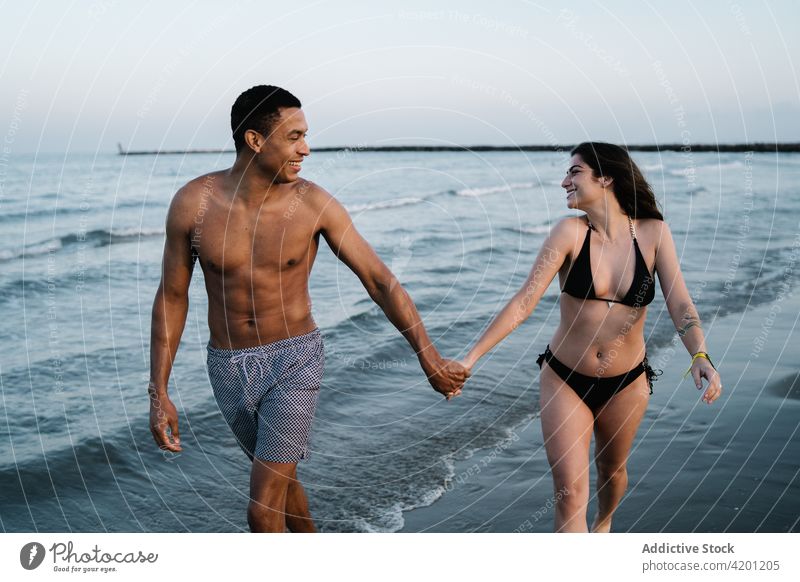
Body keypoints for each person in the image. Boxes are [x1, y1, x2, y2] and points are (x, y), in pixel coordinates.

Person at [147, 85, 468, 533]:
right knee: (283, 485)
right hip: (227, 367)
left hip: (294, 359)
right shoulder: (193, 203)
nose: (306, 148)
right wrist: (158, 391)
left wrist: (427, 355)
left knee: (261, 510)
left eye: (305, 135)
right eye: (294, 136)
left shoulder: (313, 203)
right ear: (256, 141)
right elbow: (172, 296)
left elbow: (379, 279)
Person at [458, 142, 722, 532]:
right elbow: (523, 302)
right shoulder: (568, 233)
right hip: (565, 377)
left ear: (606, 178)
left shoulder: (653, 233)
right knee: (569, 491)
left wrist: (700, 356)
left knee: (611, 473)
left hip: (627, 383)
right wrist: (470, 359)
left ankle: (604, 523)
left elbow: (680, 303)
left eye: (574, 172)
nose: (564, 181)